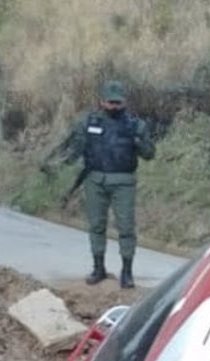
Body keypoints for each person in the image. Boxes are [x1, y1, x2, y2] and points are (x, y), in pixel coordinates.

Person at [42, 80, 155, 289]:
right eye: (110, 102)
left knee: (126, 227)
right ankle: (98, 267)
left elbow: (150, 154)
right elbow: (73, 149)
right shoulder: (88, 123)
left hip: (123, 181)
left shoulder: (135, 125)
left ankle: (127, 272)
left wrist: (139, 142)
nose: (114, 106)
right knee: (96, 226)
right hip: (95, 180)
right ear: (101, 101)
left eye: (118, 102)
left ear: (124, 102)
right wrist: (55, 166)